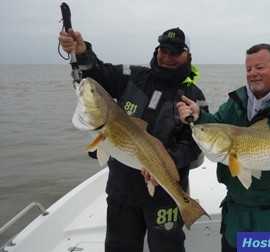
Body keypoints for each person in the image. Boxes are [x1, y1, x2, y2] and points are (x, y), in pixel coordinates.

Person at [59, 27, 208, 252]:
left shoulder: (193, 96)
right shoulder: (133, 76)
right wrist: (82, 51)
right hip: (122, 190)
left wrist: (166, 159)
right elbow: (98, 74)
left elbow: (195, 146)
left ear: (188, 56)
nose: (166, 57)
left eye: (174, 53)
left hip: (164, 192)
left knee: (167, 248)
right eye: (163, 51)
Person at [177, 43, 270, 251]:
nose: (253, 74)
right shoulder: (237, 102)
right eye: (248, 69)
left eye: (260, 67)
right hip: (236, 216)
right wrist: (200, 116)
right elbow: (219, 124)